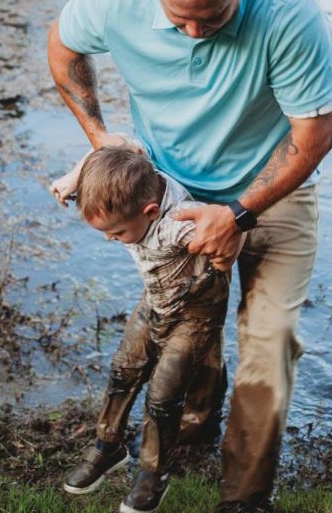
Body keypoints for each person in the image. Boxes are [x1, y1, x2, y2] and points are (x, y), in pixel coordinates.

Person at [47, 0, 332, 513]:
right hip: (171, 191)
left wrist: (236, 215)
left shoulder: (288, 15)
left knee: (270, 338)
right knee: (186, 326)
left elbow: (313, 137)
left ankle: (244, 497)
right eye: (181, 19)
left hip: (272, 185)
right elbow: (62, 47)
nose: (197, 34)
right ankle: (194, 431)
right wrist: (100, 138)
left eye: (213, 17)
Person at [56, 145, 230, 513]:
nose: (110, 239)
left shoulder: (176, 227)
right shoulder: (137, 188)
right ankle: (108, 445)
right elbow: (113, 147)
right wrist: (78, 177)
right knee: (123, 369)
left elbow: (220, 245)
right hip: (155, 300)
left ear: (150, 213)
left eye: (116, 232)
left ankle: (155, 472)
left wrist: (220, 251)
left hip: (193, 314)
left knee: (163, 397)